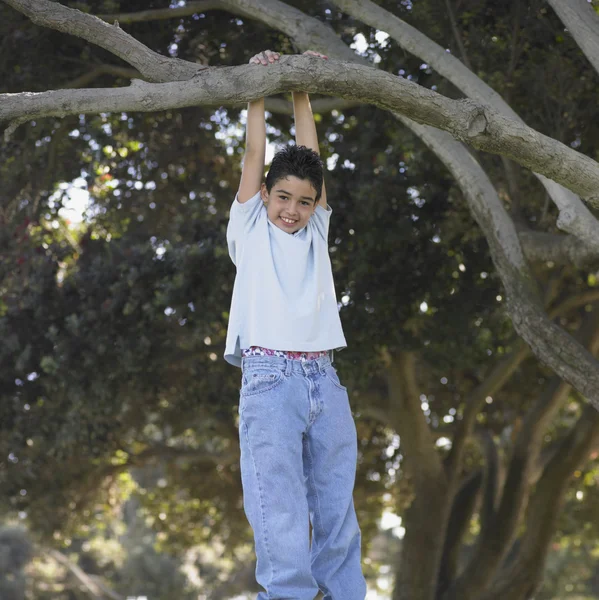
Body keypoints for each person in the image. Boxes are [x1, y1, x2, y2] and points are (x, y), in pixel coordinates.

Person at [224, 48, 367, 600]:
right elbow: (256, 154)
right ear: (264, 196)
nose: (292, 208)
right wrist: (260, 86)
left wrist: (301, 87)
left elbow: (310, 154)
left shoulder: (316, 233)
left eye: (304, 201)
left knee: (337, 512)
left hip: (325, 383)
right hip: (268, 380)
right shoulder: (249, 228)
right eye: (282, 196)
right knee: (279, 510)